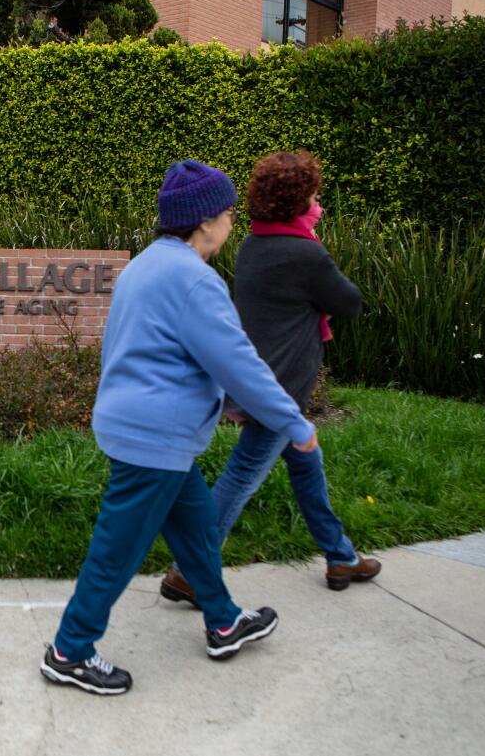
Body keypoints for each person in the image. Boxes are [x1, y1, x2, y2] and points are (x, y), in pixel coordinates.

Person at [41, 159, 319, 696]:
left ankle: (223, 621)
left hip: (143, 428)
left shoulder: (145, 266)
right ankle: (69, 651)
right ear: (206, 220)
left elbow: (143, 351)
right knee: (115, 552)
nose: (233, 222)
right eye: (230, 213)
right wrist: (292, 420)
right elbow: (239, 362)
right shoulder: (195, 280)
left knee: (194, 529)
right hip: (154, 441)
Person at [160, 150, 381, 607]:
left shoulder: (252, 246)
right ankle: (188, 572)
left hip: (259, 377)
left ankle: (340, 555)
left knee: (306, 462)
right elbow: (350, 303)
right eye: (315, 196)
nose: (319, 204)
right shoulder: (306, 254)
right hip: (280, 390)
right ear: (298, 202)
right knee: (242, 474)